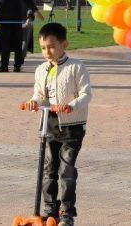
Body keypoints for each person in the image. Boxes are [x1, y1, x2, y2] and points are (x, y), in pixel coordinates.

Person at [23, 22, 92, 226]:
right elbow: (40, 95)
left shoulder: (76, 67)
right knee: (49, 169)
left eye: (52, 46)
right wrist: (34, 102)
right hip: (49, 125)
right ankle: (49, 209)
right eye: (43, 48)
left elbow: (86, 94)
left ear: (64, 44)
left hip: (72, 126)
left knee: (66, 170)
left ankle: (67, 212)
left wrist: (71, 105)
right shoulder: (41, 70)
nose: (47, 52)